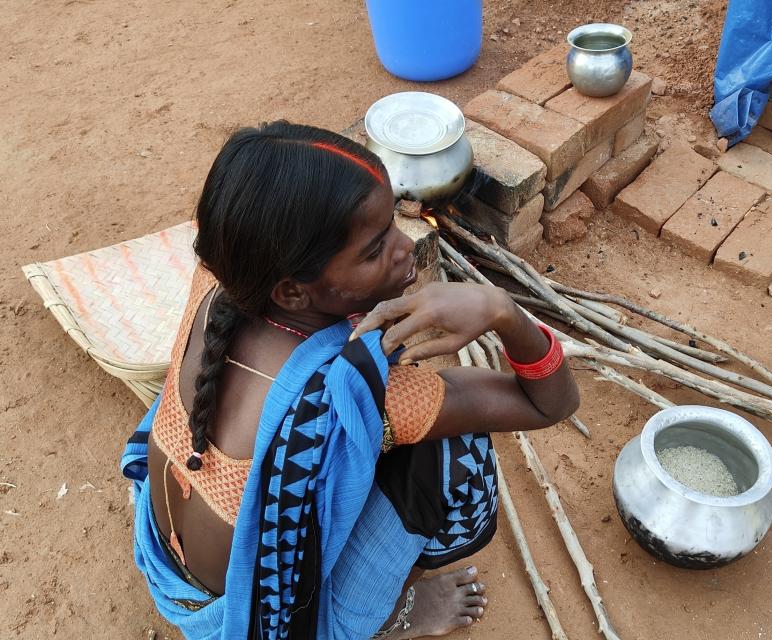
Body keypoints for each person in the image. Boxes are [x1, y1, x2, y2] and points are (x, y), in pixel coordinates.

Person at [121, 121, 580, 639]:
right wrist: (502, 310)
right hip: (255, 622)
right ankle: (387, 615)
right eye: (375, 247)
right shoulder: (356, 388)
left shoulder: (218, 278)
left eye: (393, 225)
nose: (405, 247)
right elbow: (550, 403)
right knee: (455, 445)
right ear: (293, 293)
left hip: (166, 562)